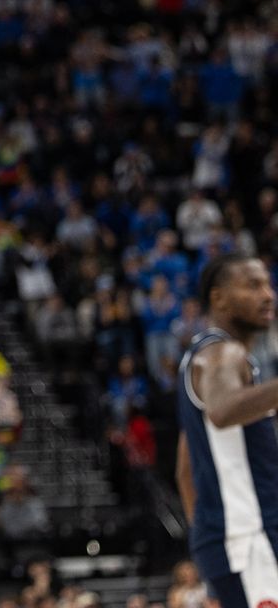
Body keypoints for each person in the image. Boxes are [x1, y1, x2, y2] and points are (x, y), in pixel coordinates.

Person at [175, 252, 278, 608]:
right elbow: (222, 411)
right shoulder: (222, 354)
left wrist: (210, 538)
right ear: (218, 298)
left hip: (236, 542)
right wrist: (230, 535)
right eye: (253, 285)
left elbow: (185, 471)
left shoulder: (202, 358)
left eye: (268, 283)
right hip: (250, 542)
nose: (268, 295)